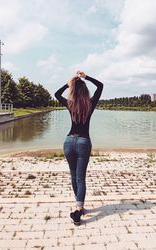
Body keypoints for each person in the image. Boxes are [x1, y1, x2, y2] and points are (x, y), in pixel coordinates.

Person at [54, 70, 103, 225]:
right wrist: (85, 77)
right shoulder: (90, 104)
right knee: (80, 178)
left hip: (68, 141)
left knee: (74, 176)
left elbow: (56, 94)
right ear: (85, 91)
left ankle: (79, 207)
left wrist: (69, 84)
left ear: (74, 91)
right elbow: (100, 86)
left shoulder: (70, 103)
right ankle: (78, 209)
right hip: (83, 142)